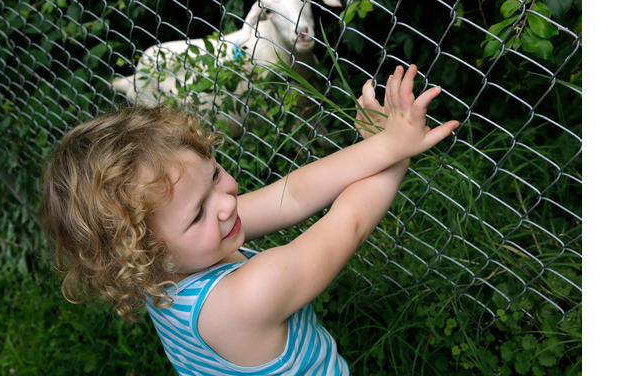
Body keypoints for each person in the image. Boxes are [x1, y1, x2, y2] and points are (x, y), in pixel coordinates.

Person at [41, 64, 459, 375]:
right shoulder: (247, 297)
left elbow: (292, 193)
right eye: (198, 213)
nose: (225, 203)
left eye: (216, 175)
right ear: (144, 252)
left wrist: (378, 147)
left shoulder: (165, 265)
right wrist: (398, 147)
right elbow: (350, 221)